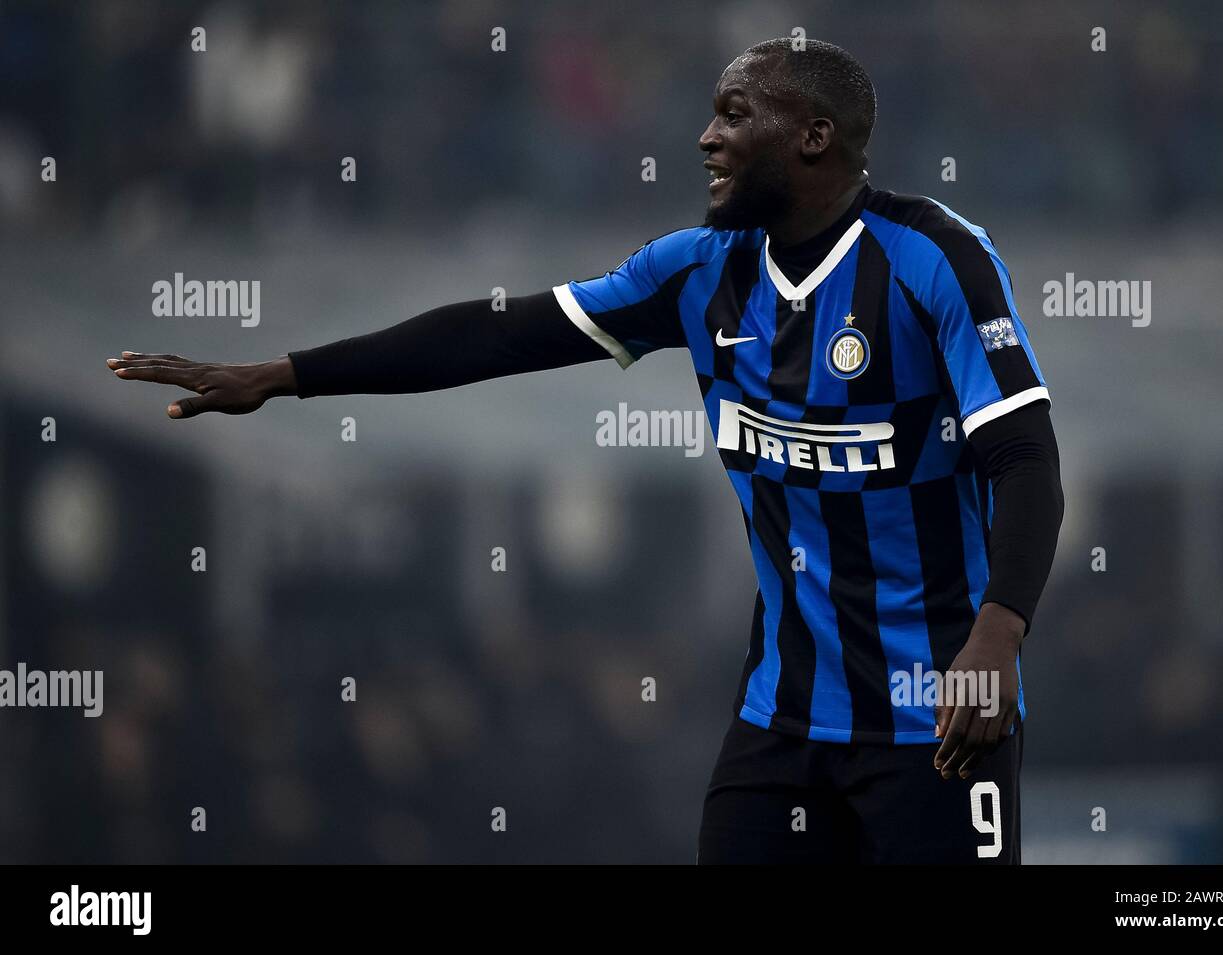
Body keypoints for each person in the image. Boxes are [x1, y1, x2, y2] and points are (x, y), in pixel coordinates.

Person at [109, 37, 1064, 864]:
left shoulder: (935, 258)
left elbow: (1024, 457)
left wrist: (996, 635)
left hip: (936, 716)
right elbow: (495, 335)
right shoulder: (698, 270)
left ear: (813, 135)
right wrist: (286, 373)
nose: (706, 138)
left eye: (735, 115)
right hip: (783, 722)